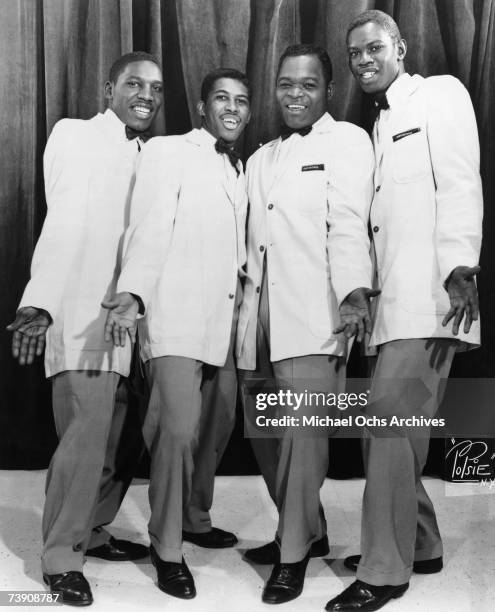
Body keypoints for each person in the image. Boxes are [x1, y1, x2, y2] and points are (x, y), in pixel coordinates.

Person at [325, 10, 483, 612]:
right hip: (393, 311)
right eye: (354, 53)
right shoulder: (374, 128)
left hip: (434, 301)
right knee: (394, 436)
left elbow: (462, 183)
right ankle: (419, 543)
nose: (364, 59)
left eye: (375, 47)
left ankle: (384, 571)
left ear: (401, 46)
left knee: (389, 433)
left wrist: (461, 266)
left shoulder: (439, 94)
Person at [6, 52, 164, 606]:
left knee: (121, 438)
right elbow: (65, 216)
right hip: (81, 313)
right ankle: (60, 557)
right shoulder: (76, 134)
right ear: (108, 89)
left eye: (156, 87)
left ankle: (92, 528)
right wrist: (43, 301)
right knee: (85, 438)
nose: (146, 94)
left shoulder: (151, 153)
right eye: (134, 83)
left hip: (129, 321)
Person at [103, 68, 251, 600]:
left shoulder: (242, 169)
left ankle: (194, 516)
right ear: (201, 106)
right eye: (221, 99)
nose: (232, 108)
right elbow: (148, 226)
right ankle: (167, 549)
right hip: (174, 320)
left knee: (217, 427)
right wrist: (136, 296)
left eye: (241, 100)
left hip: (225, 324)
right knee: (178, 434)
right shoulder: (168, 151)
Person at [236, 44, 376, 604]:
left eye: (309, 84)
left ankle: (291, 556)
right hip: (258, 316)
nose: (296, 93)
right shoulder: (263, 155)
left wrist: (352, 294)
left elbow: (348, 222)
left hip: (314, 316)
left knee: (304, 437)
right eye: (287, 83)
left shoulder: (346, 141)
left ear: (329, 88)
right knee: (268, 436)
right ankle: (307, 531)